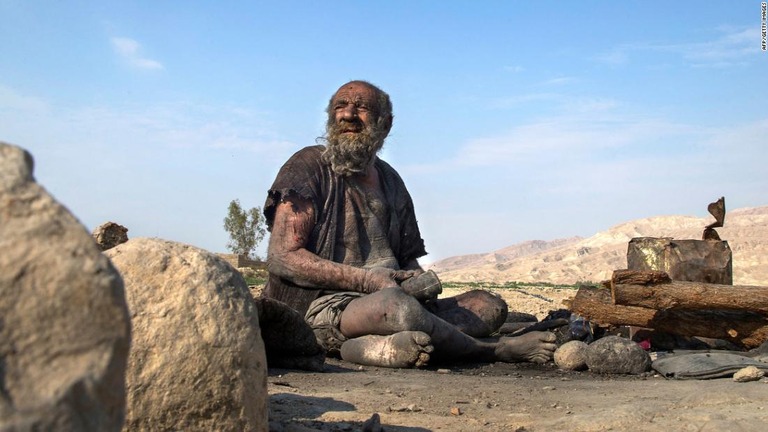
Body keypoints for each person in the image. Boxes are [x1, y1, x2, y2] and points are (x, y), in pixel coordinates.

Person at [263, 80, 556, 368]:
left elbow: (406, 259)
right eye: (340, 106)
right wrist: (367, 280)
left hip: (392, 299)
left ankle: (372, 347)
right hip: (326, 307)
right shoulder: (307, 166)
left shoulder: (391, 181)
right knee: (398, 308)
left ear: (385, 124)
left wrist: (416, 280)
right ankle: (492, 350)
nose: (348, 114)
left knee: (488, 305)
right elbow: (283, 258)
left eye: (361, 107)